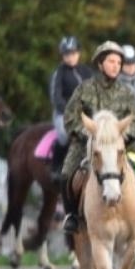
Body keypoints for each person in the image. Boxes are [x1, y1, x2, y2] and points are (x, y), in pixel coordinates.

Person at [60, 40, 135, 234]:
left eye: (118, 62)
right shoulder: (84, 88)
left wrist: (125, 137)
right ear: (100, 64)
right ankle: (72, 215)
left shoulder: (127, 91)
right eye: (111, 61)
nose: (116, 66)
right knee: (66, 173)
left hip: (121, 144)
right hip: (88, 144)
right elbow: (70, 117)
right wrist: (87, 135)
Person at [49, 36, 91, 172]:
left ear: (78, 53)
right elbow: (56, 96)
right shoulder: (59, 73)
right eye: (67, 54)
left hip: (86, 113)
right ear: (62, 56)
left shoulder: (86, 71)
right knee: (64, 136)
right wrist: (70, 110)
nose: (70, 57)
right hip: (63, 113)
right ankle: (56, 167)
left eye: (73, 53)